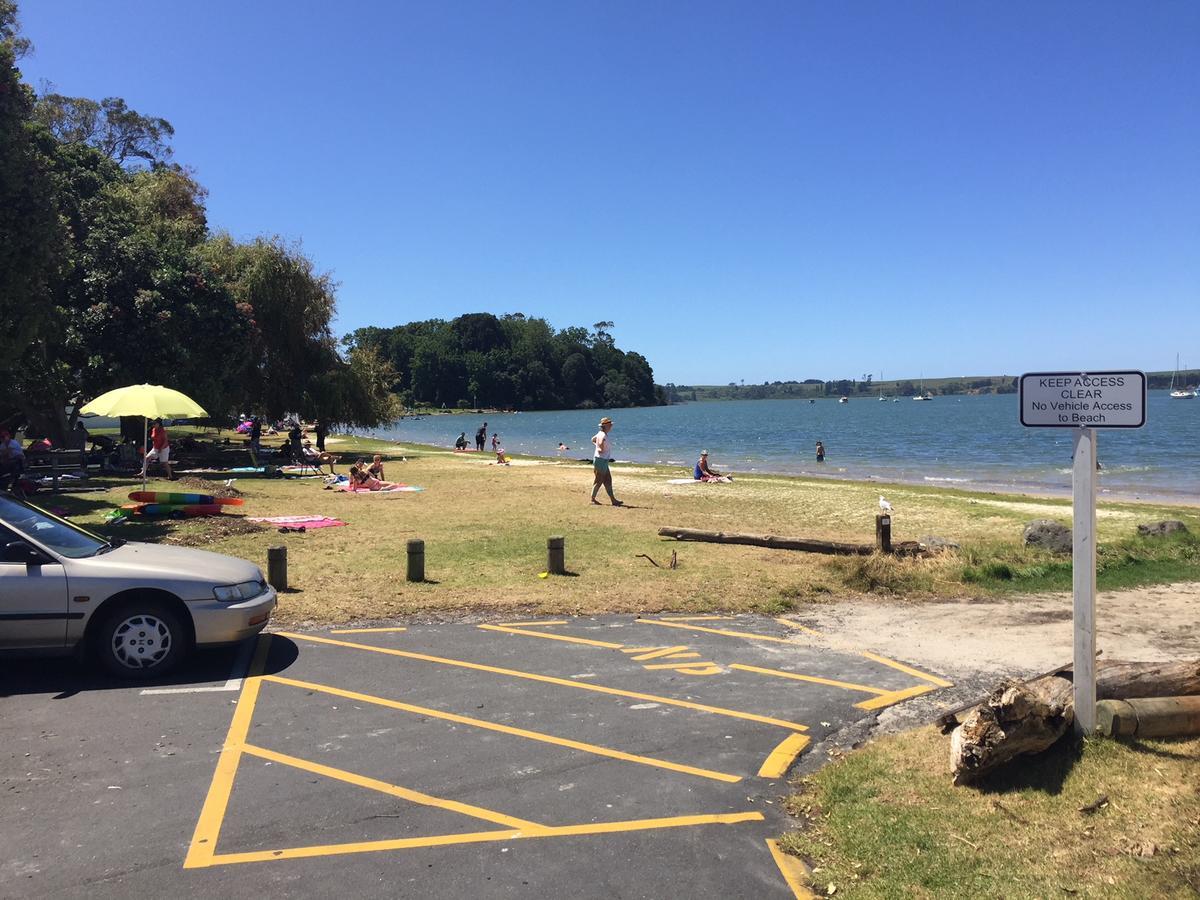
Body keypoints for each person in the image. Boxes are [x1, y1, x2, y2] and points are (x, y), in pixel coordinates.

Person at [590, 416, 621, 506]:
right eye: (610, 425)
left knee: (608, 479)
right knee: (599, 480)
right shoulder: (602, 435)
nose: (611, 426)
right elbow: (600, 445)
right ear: (606, 426)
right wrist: (600, 448)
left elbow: (592, 439)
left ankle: (613, 500)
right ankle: (592, 499)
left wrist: (597, 446)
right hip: (600, 460)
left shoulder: (600, 433)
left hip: (602, 460)